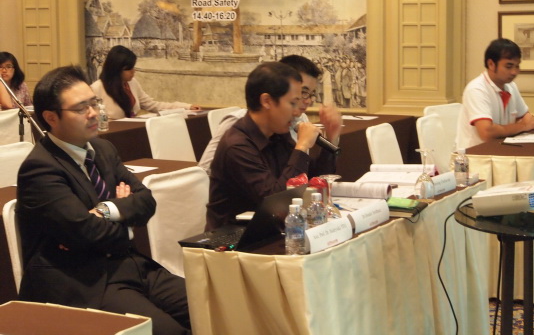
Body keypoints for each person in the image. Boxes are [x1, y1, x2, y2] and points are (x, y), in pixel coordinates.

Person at [17, 66, 191, 335]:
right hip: (82, 279)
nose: (93, 113)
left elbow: (146, 202)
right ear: (51, 117)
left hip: (128, 265)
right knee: (168, 331)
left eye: (94, 103)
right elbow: (86, 232)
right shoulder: (40, 168)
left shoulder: (102, 149)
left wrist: (106, 210)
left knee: (211, 304)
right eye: (80, 108)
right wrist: (126, 222)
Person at [206, 61, 342, 230]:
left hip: (272, 230)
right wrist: (302, 146)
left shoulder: (278, 133)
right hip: (235, 237)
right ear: (267, 101)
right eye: (292, 103)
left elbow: (313, 180)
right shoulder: (237, 145)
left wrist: (331, 139)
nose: (296, 112)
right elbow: (278, 202)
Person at [198, 54, 342, 175]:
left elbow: (309, 176)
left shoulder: (294, 122)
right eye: (303, 92)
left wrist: (332, 137)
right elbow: (203, 172)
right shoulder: (238, 126)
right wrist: (302, 146)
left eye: (311, 94)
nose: (308, 101)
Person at [456, 38, 534, 149]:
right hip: (475, 154)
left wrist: (524, 124)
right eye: (508, 66)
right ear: (491, 64)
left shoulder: (511, 86)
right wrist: (522, 126)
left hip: (502, 150)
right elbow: (487, 132)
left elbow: (527, 117)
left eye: (517, 66)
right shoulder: (476, 89)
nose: (514, 72)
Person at [91, 45, 200, 119]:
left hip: (131, 132)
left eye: (133, 67)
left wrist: (186, 107)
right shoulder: (97, 88)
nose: (133, 71)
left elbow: (152, 105)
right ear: (116, 69)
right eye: (129, 69)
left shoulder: (132, 83)